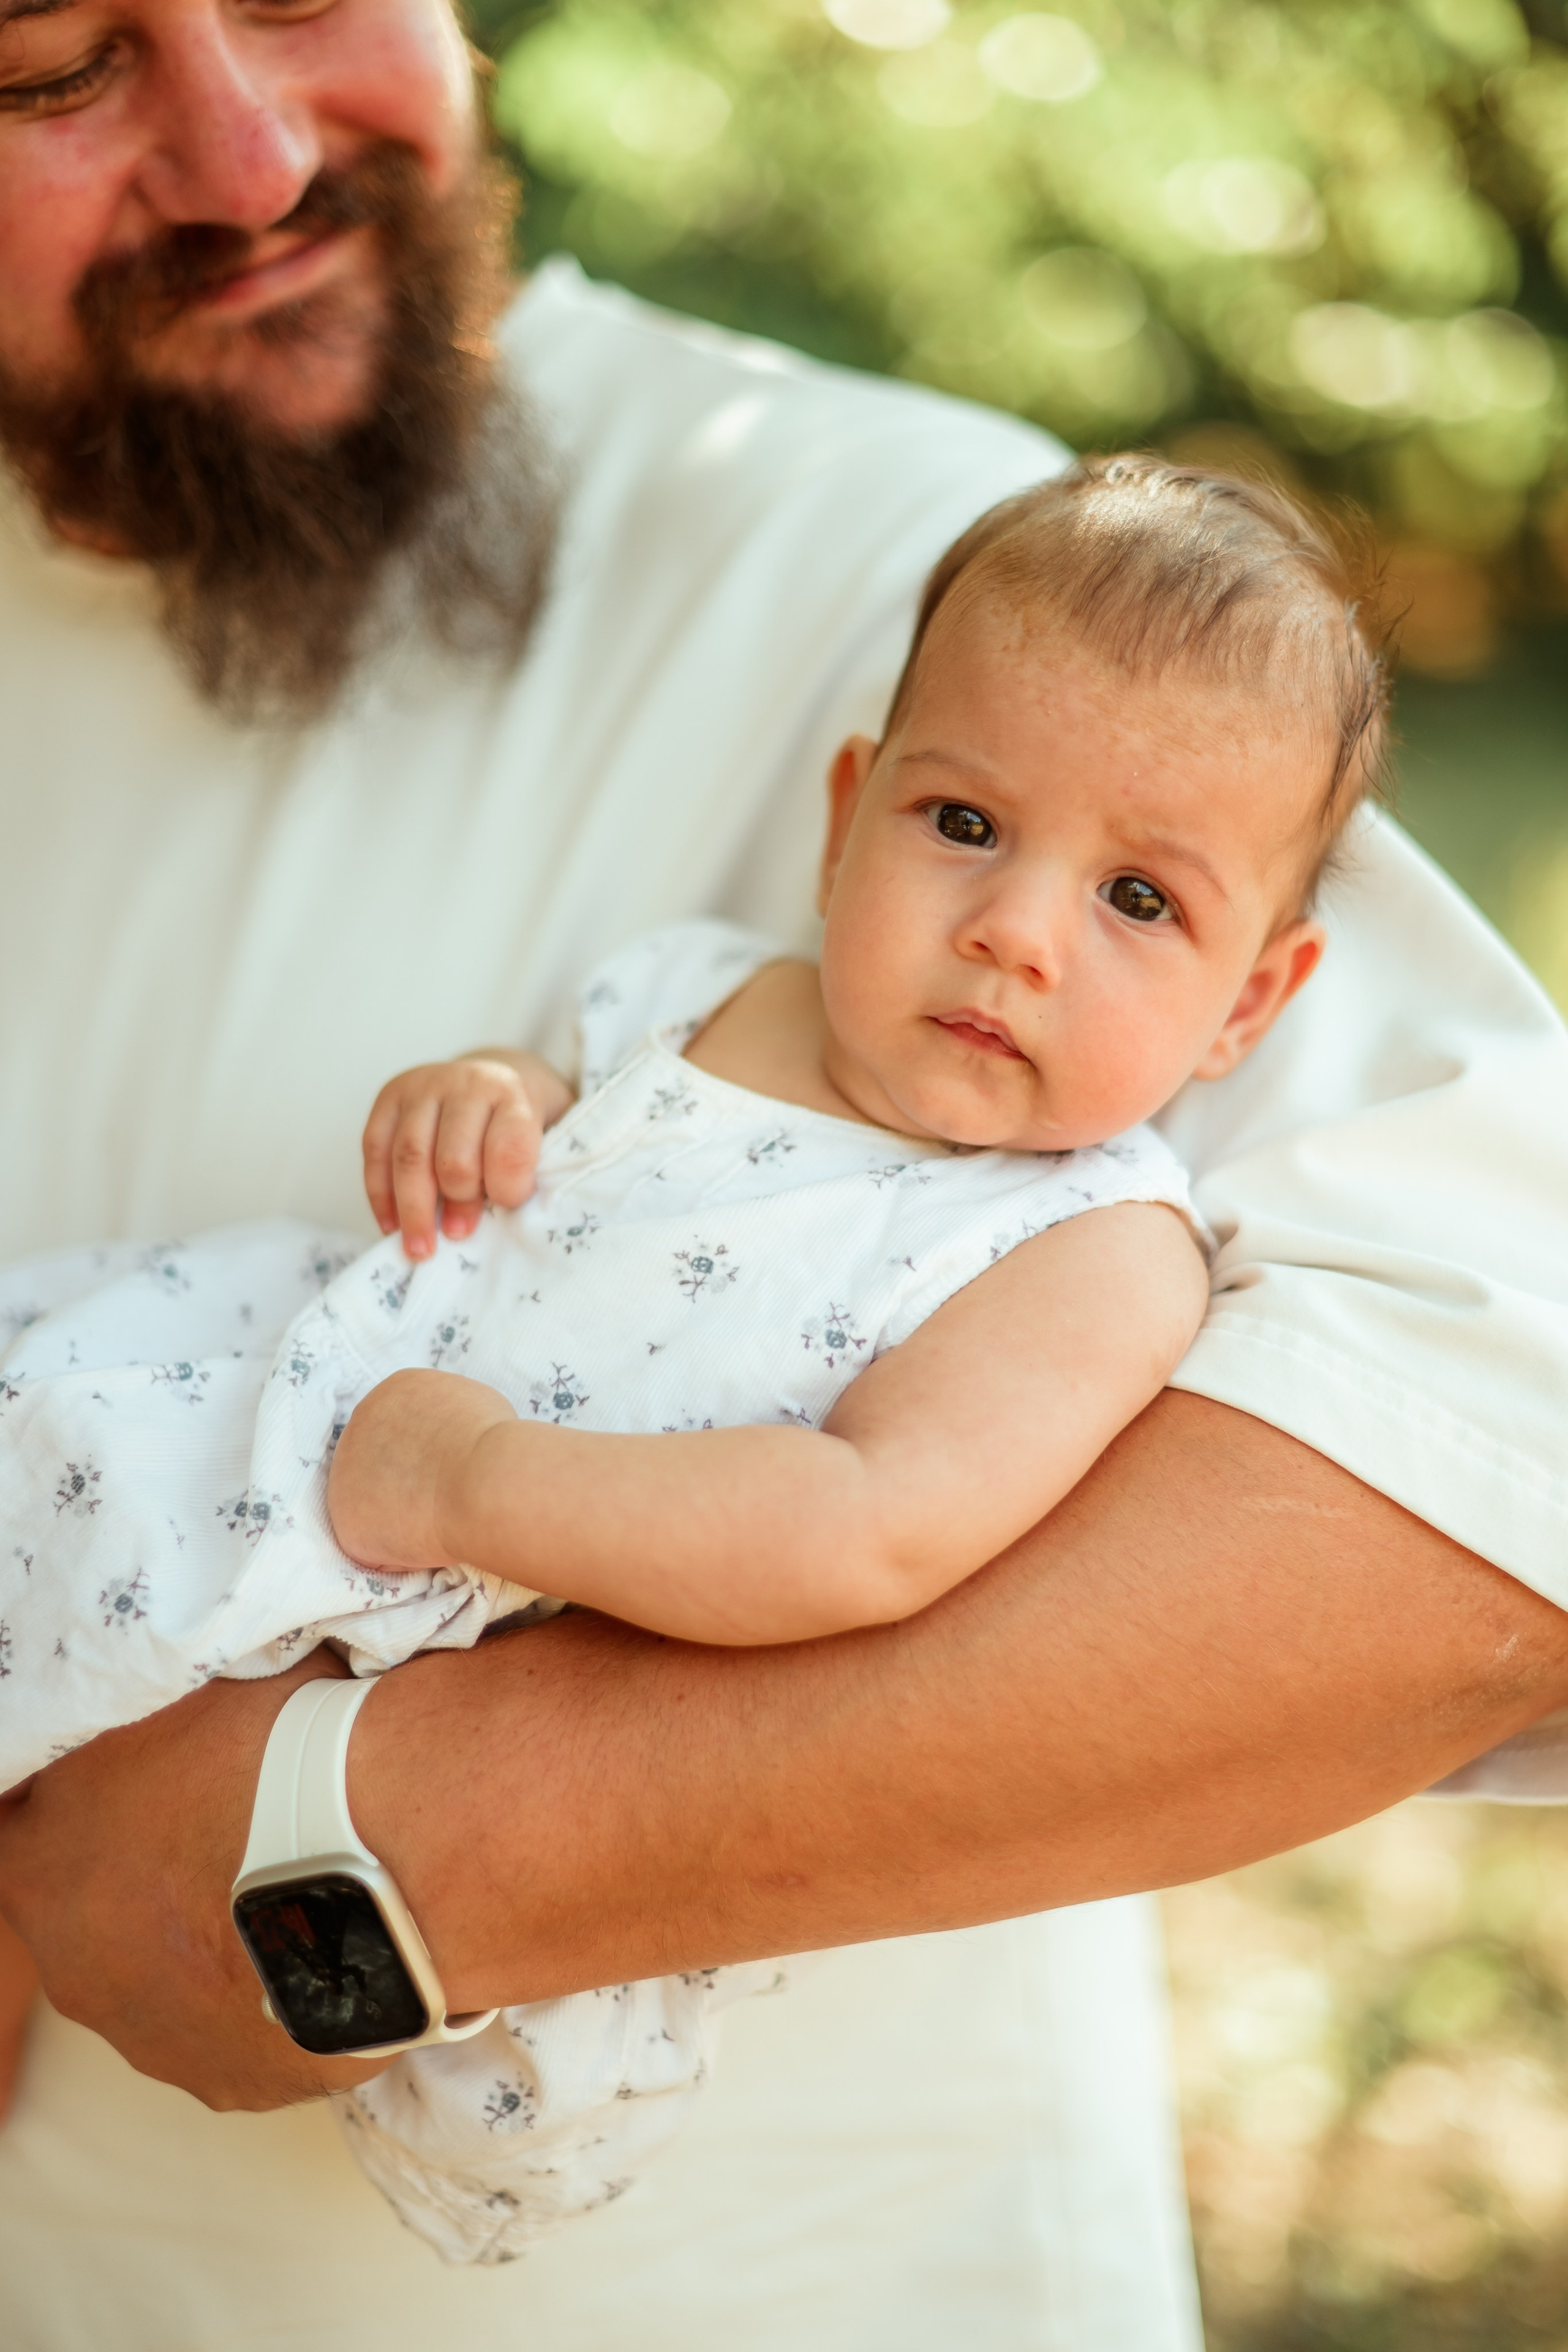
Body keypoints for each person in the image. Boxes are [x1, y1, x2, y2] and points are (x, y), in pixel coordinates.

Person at [1, 4, 1567, 2345]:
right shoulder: (723, 983)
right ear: (861, 811)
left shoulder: (939, 563)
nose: (245, 154)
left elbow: (1515, 1415)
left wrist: (366, 1848)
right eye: (48, 69)